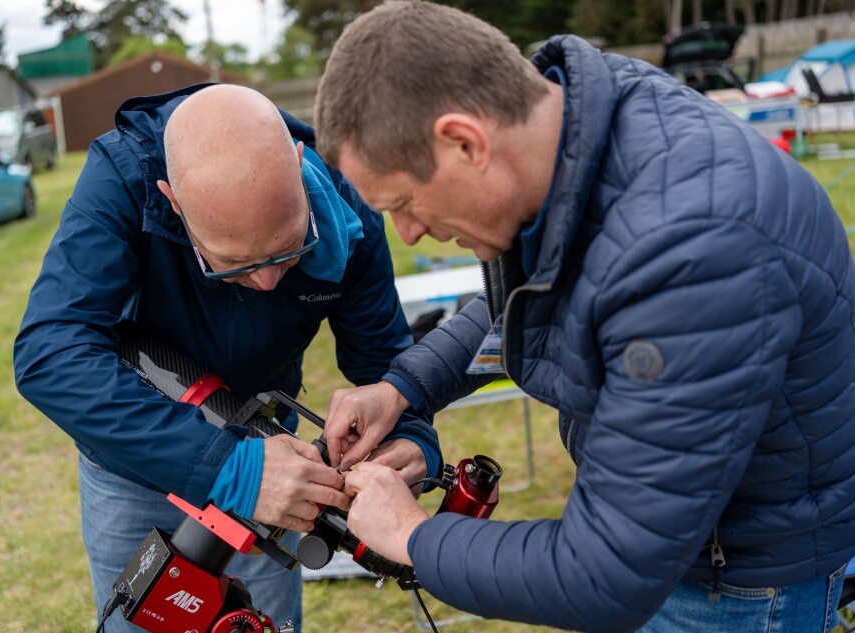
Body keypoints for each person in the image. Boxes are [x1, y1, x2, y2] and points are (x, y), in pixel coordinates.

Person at [313, 2, 855, 632]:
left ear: (465, 142)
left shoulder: (689, 250)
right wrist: (402, 388)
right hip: (693, 546)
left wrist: (412, 536)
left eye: (404, 202)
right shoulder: (578, 129)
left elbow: (608, 572)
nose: (406, 234)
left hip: (733, 584)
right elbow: (523, 303)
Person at [13, 84, 440, 633]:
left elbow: (385, 362)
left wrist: (413, 435)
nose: (265, 282)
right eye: (233, 264)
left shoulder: (345, 208)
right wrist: (226, 467)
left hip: (277, 469)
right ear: (172, 201)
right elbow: (50, 352)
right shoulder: (125, 177)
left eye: (289, 250)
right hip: (138, 469)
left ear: (298, 163)